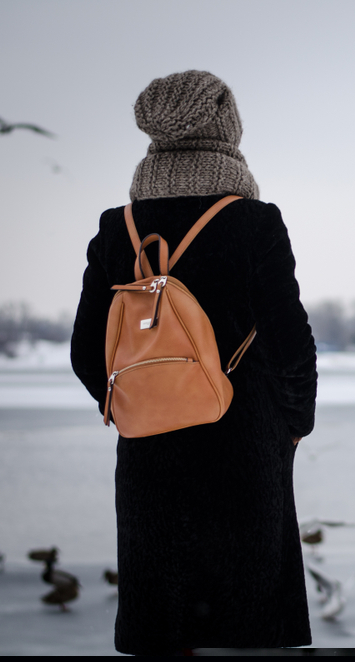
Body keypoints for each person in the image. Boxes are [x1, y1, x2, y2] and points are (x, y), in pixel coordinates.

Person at [70, 70, 317, 655]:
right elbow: (289, 342)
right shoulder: (254, 222)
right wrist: (294, 425)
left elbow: (86, 352)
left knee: (166, 619)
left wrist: (142, 404)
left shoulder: (117, 228)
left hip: (149, 452)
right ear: (226, 126)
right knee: (245, 621)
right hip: (244, 443)